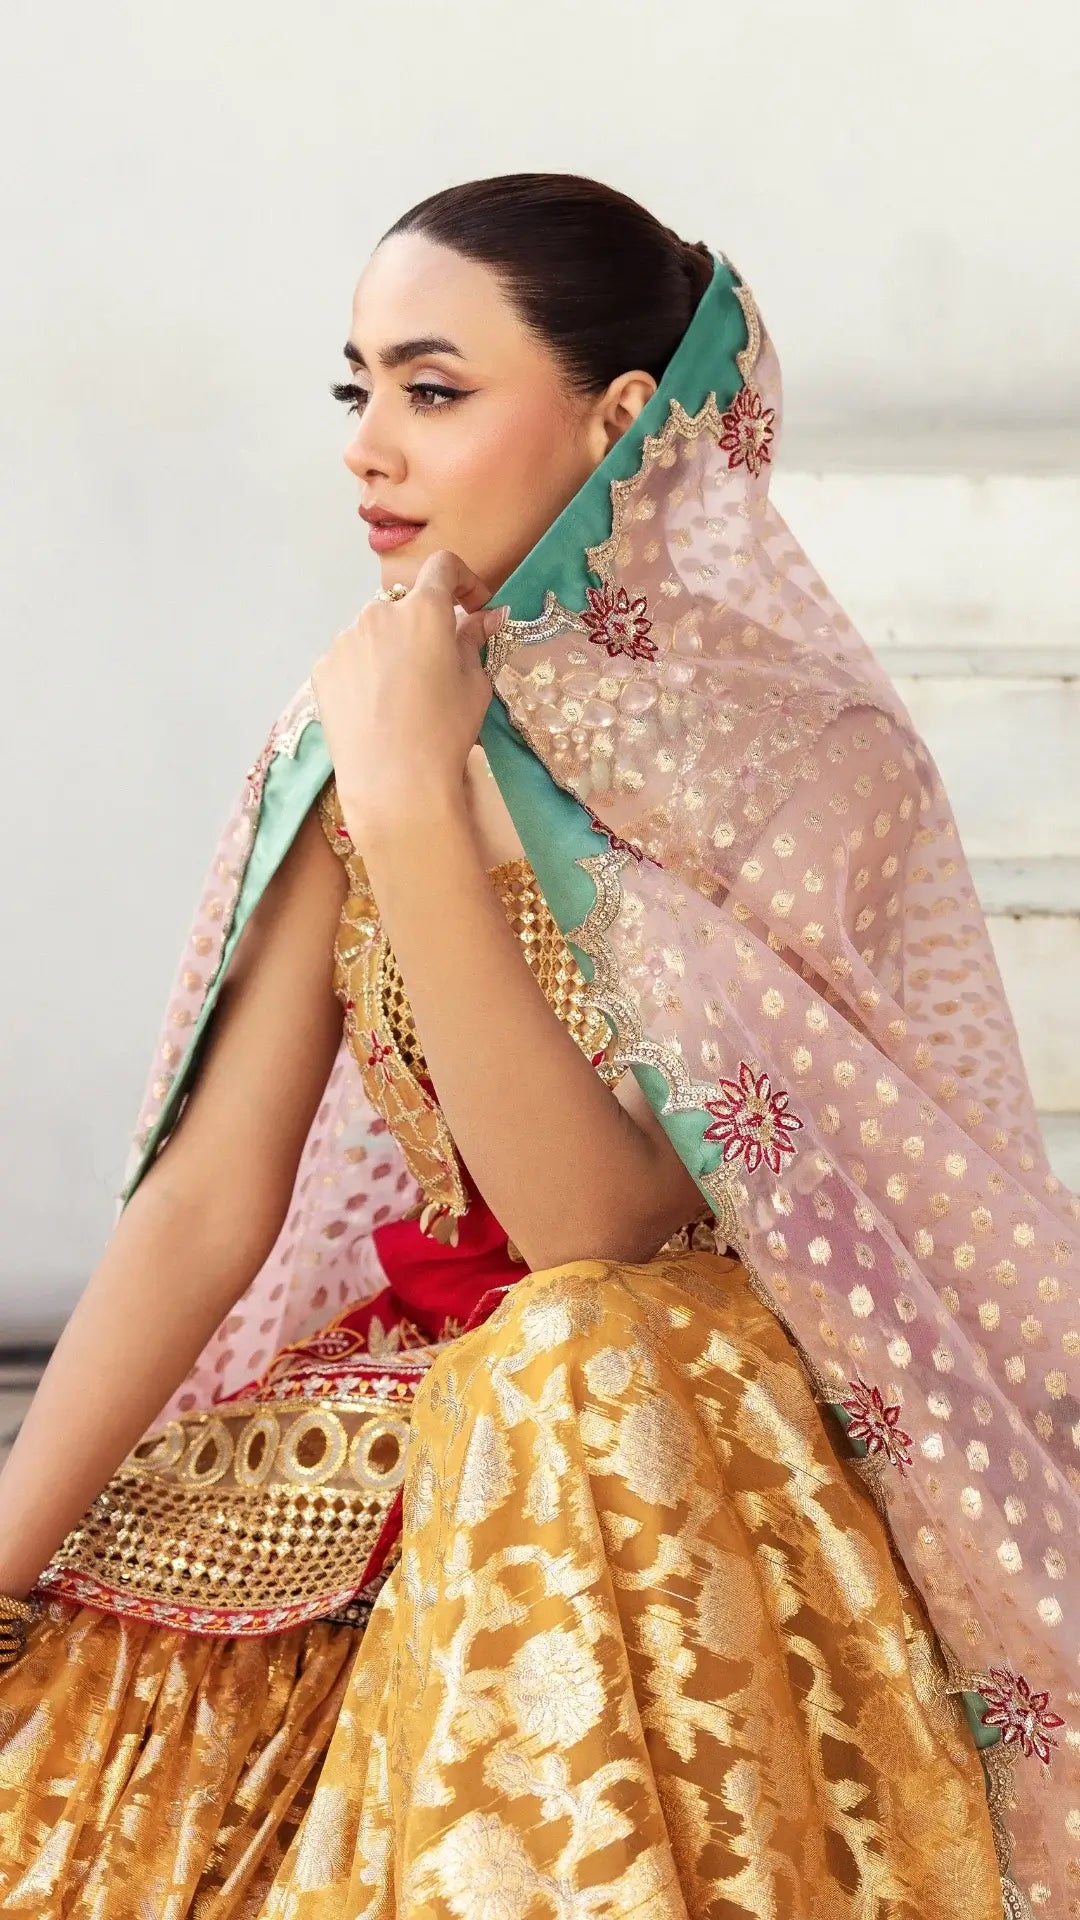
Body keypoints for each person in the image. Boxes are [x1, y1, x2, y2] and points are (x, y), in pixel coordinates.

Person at [0, 172, 1072, 1919]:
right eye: (356, 390)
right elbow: (211, 1193)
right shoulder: (353, 711)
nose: (369, 447)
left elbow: (600, 1229)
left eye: (434, 390)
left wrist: (421, 799)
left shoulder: (810, 763)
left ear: (620, 417)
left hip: (690, 1411)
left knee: (564, 1360)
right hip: (413, 1396)